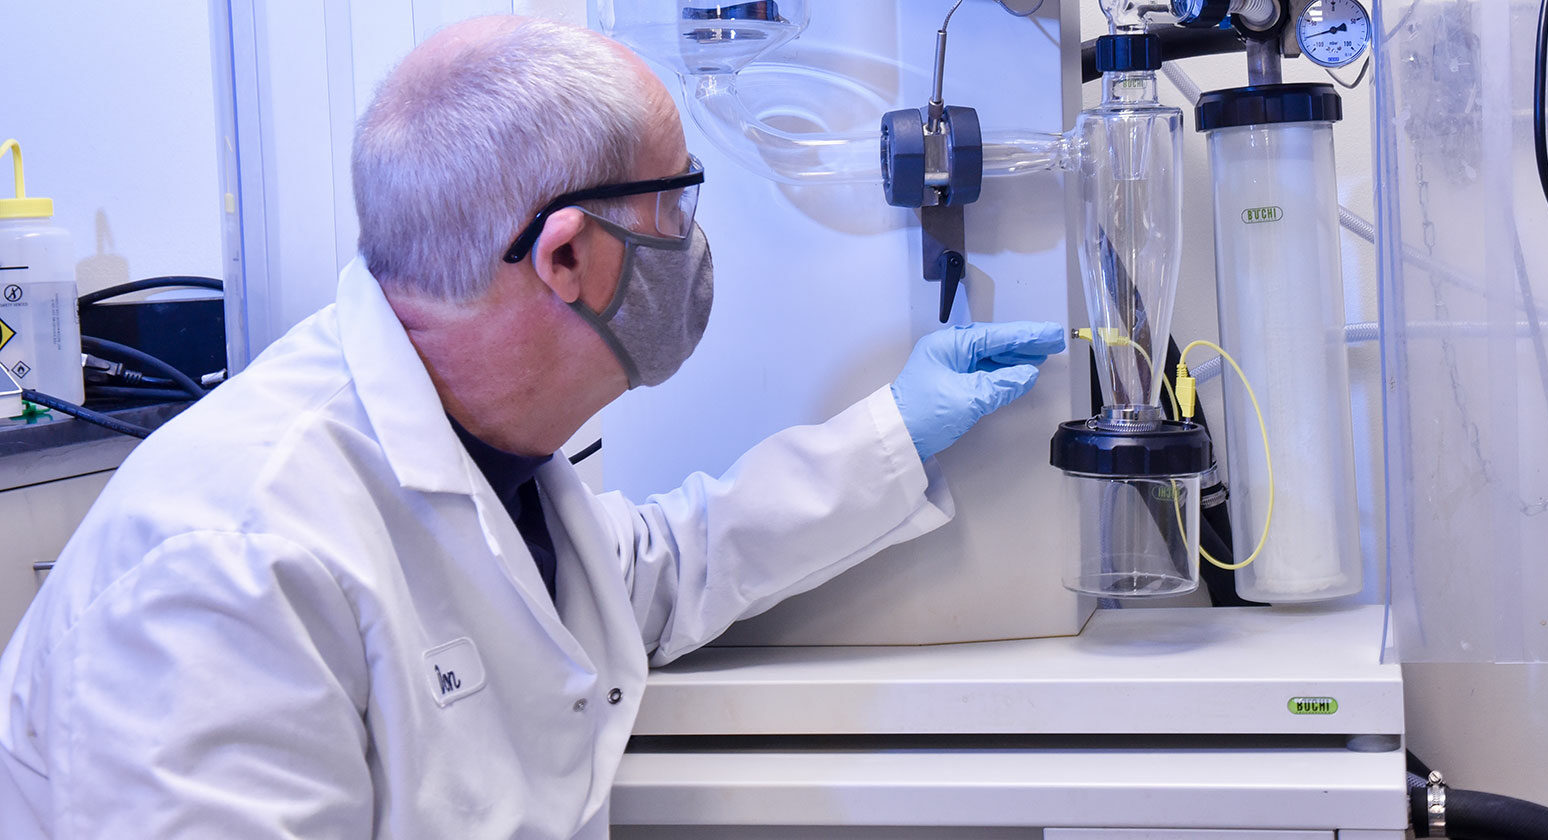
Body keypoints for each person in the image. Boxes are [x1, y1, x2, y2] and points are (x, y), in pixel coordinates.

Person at [0, 16, 1065, 839]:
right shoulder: (229, 559)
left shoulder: (489, 453)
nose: (692, 248)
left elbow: (647, 573)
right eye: (675, 210)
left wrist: (896, 429)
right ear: (565, 257)